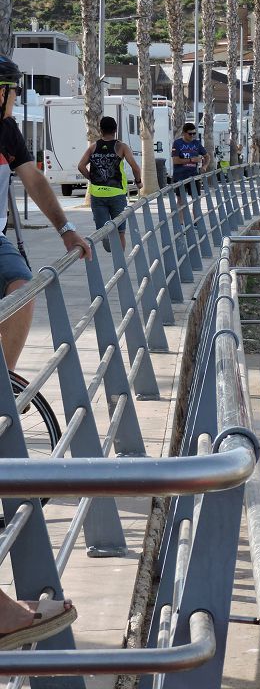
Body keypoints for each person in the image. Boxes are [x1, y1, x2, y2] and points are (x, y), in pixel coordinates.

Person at [0, 55, 81, 648]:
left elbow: (34, 180)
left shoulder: (6, 130)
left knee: (21, 287)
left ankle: (2, 375)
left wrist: (65, 230)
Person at [76, 115, 141, 251]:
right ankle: (120, 263)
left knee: (102, 230)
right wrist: (138, 182)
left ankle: (107, 239)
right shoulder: (121, 147)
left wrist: (92, 178)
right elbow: (135, 167)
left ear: (101, 130)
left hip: (97, 194)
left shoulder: (93, 147)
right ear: (115, 130)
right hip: (117, 193)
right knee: (120, 231)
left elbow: (81, 166)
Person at [169, 122, 209, 211]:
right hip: (180, 176)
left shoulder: (197, 143)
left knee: (196, 199)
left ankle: (196, 223)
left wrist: (204, 166)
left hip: (194, 175)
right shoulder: (177, 143)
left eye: (194, 133)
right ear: (184, 133)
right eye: (190, 133)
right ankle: (180, 223)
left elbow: (207, 156)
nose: (192, 135)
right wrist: (191, 160)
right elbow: (175, 160)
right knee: (181, 200)